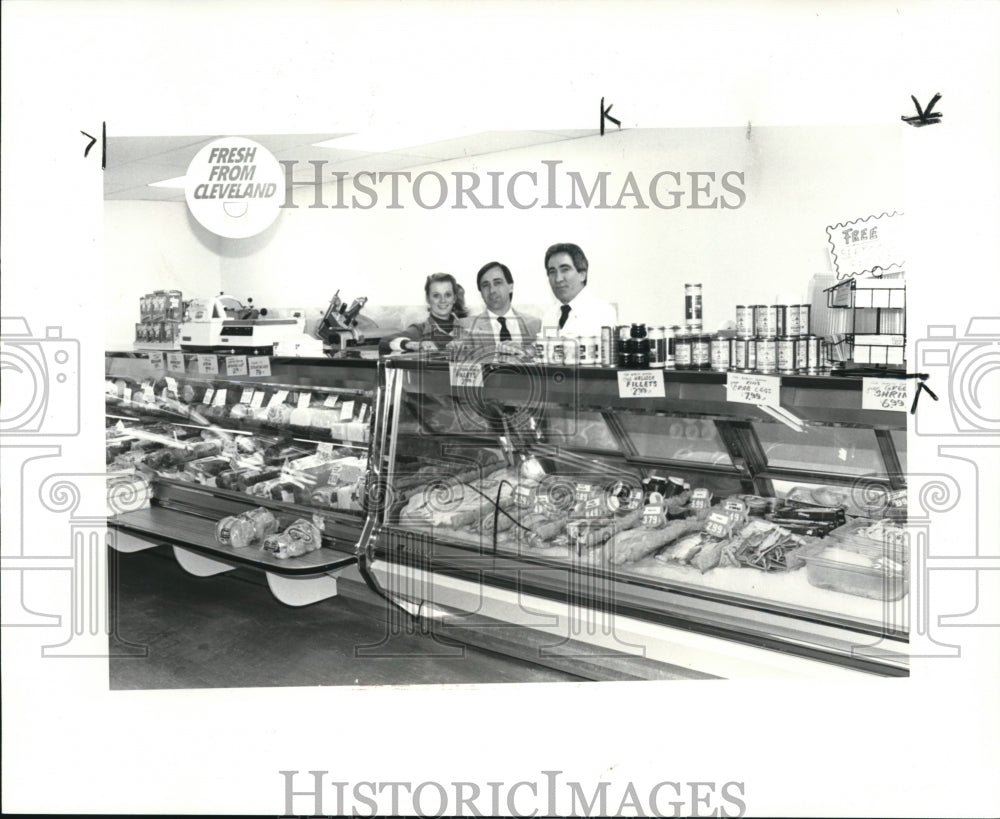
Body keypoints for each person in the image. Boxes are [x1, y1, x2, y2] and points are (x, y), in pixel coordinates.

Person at [455, 261, 541, 350]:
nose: (492, 290)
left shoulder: (535, 325)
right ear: (481, 293)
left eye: (497, 283)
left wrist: (525, 352)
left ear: (510, 287)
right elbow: (463, 360)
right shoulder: (466, 326)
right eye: (485, 285)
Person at [379, 273, 469, 354]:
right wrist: (414, 345)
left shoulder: (468, 327)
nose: (443, 300)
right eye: (436, 295)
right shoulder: (420, 330)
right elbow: (384, 341)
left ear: (454, 298)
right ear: (428, 299)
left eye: (448, 295)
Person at [543, 242, 617, 337]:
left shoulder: (603, 312)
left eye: (565, 269)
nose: (558, 279)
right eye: (552, 271)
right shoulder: (548, 316)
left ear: (582, 274)